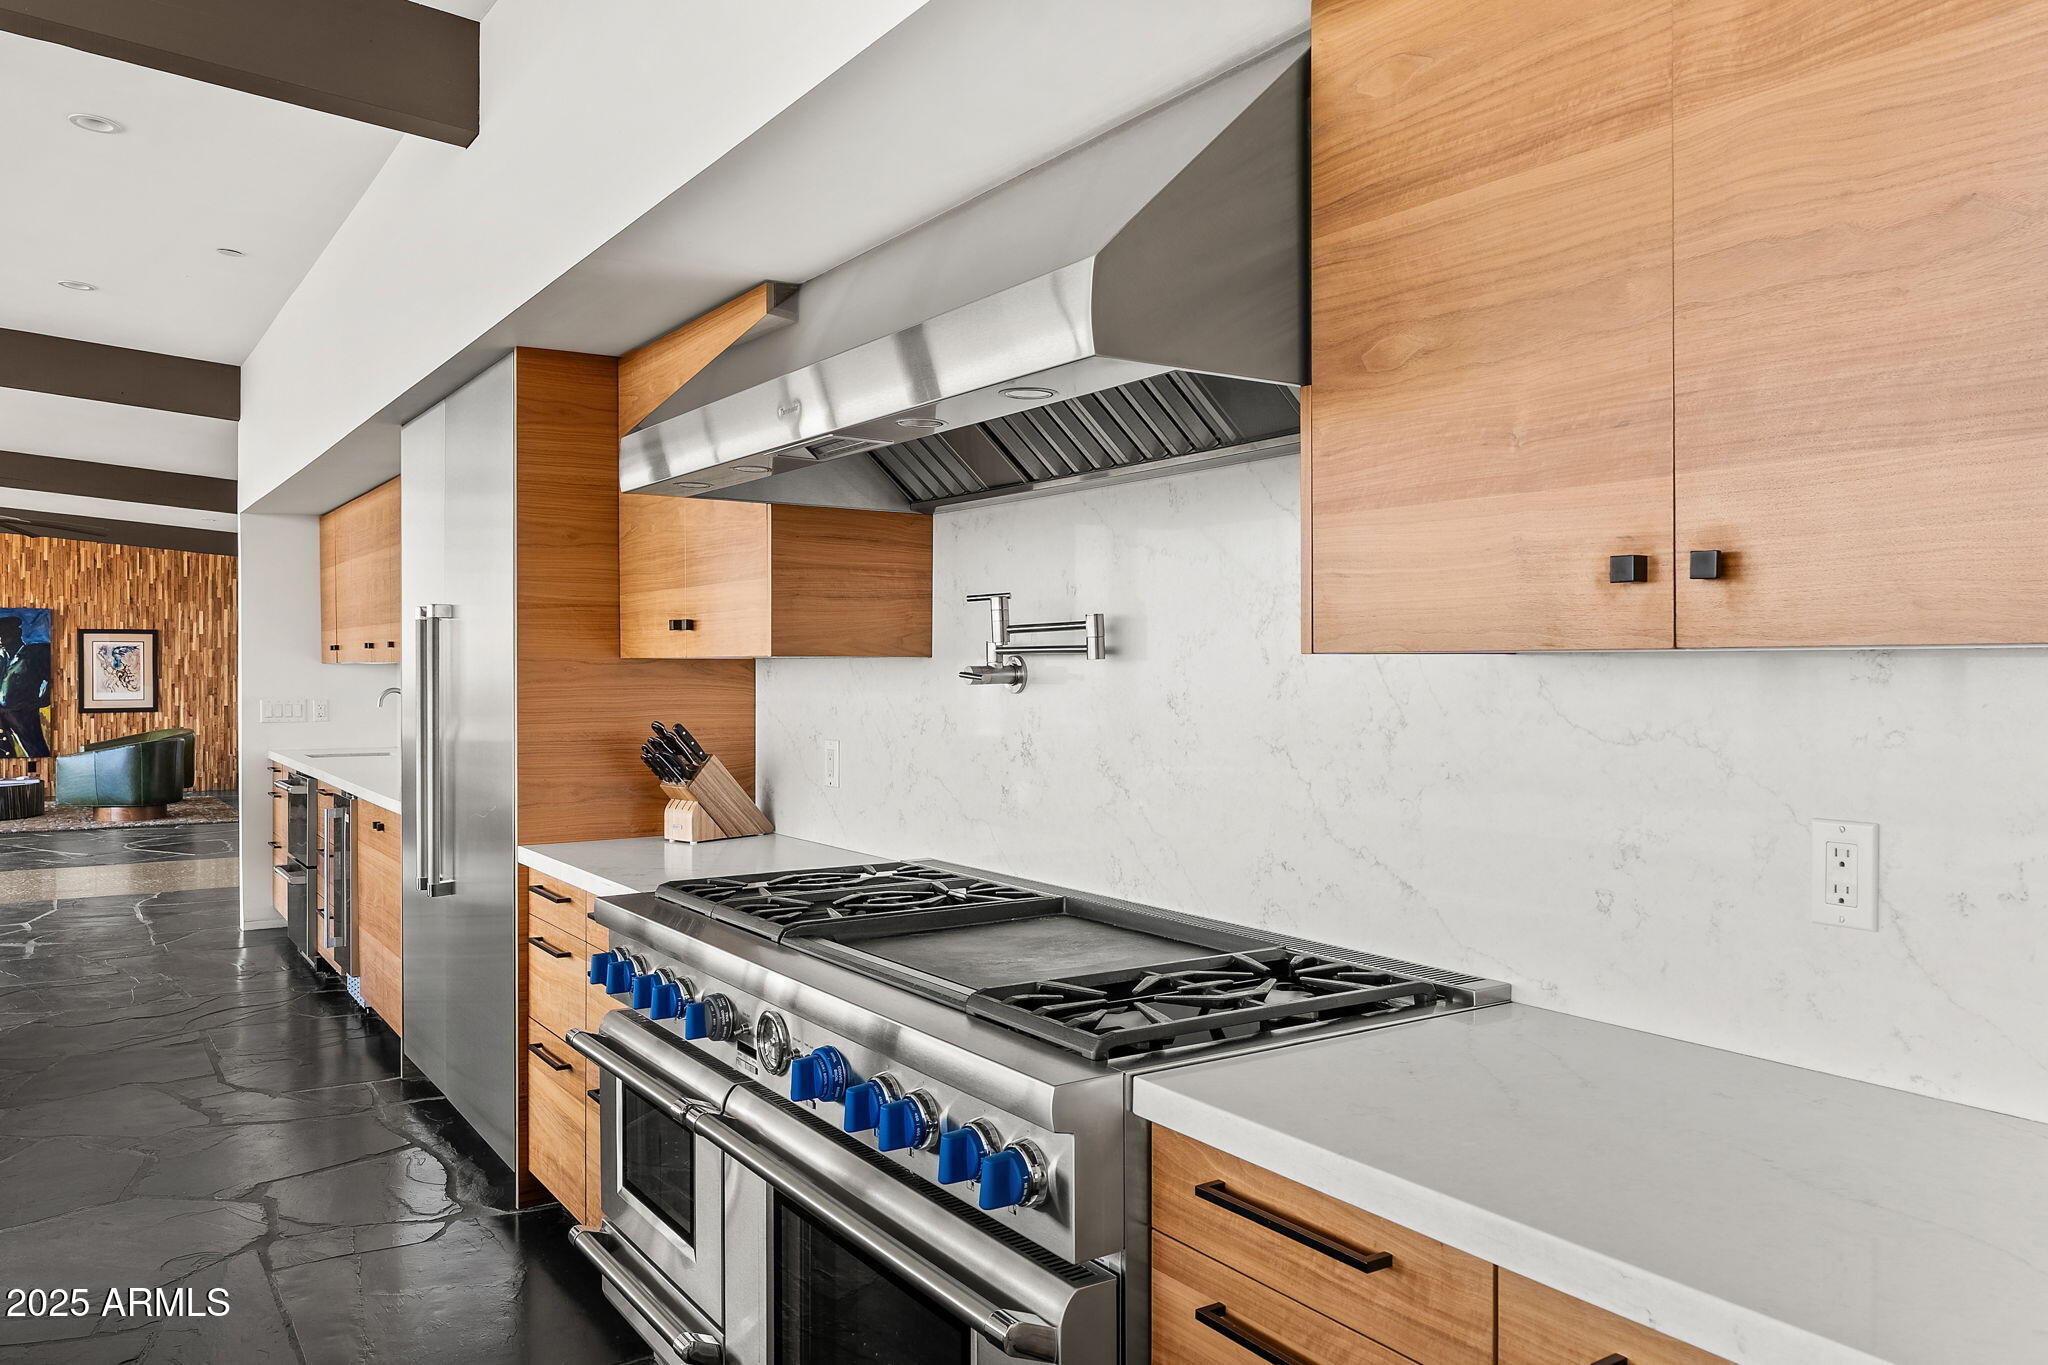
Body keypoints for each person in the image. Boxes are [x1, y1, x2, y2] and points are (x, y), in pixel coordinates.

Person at [0, 616, 52, 759]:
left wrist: (43, 700)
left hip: (23, 712)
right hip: (1, 713)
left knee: (35, 750)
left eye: (4, 633)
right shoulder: (1, 657)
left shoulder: (34, 654)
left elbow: (53, 678)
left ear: (16, 632)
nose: (0, 638)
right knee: (5, 752)